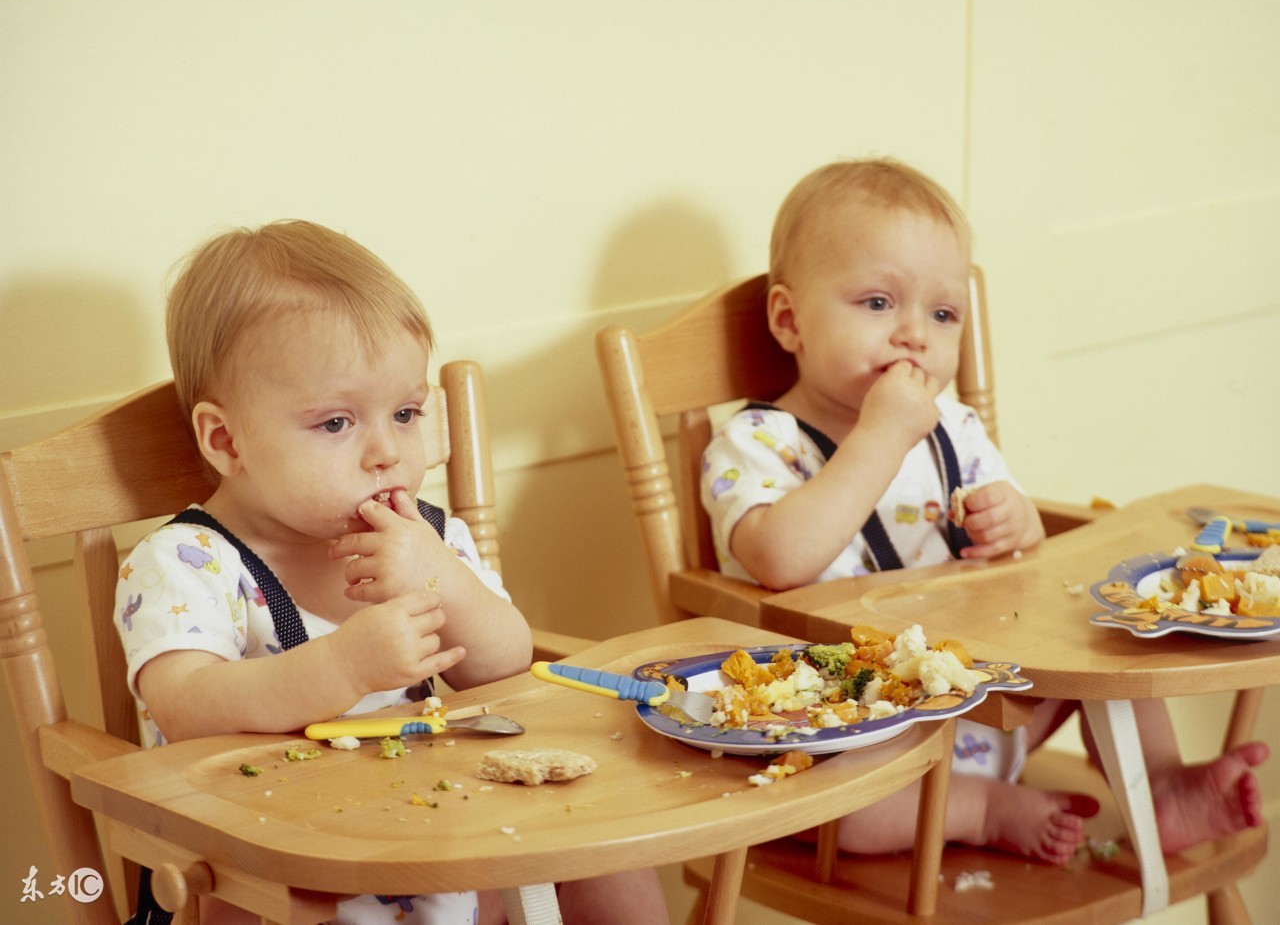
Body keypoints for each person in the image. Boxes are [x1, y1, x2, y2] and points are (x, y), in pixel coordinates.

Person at [700, 159, 1268, 863]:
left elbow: (1024, 547)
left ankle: (1159, 790)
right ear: (789, 319)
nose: (914, 334)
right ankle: (979, 808)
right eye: (879, 303)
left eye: (941, 314)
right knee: (830, 811)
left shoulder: (954, 428)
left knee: (1111, 637)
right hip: (850, 738)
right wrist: (881, 434)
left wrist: (1016, 522)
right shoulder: (756, 442)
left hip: (980, 708)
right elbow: (779, 558)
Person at [116, 220, 667, 924]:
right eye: (337, 423)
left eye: (405, 412)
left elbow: (506, 662)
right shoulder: (189, 562)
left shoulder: (426, 535)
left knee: (609, 855)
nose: (386, 451)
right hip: (273, 865)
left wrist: (443, 580)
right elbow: (184, 704)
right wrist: (341, 668)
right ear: (226, 440)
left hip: (433, 825)